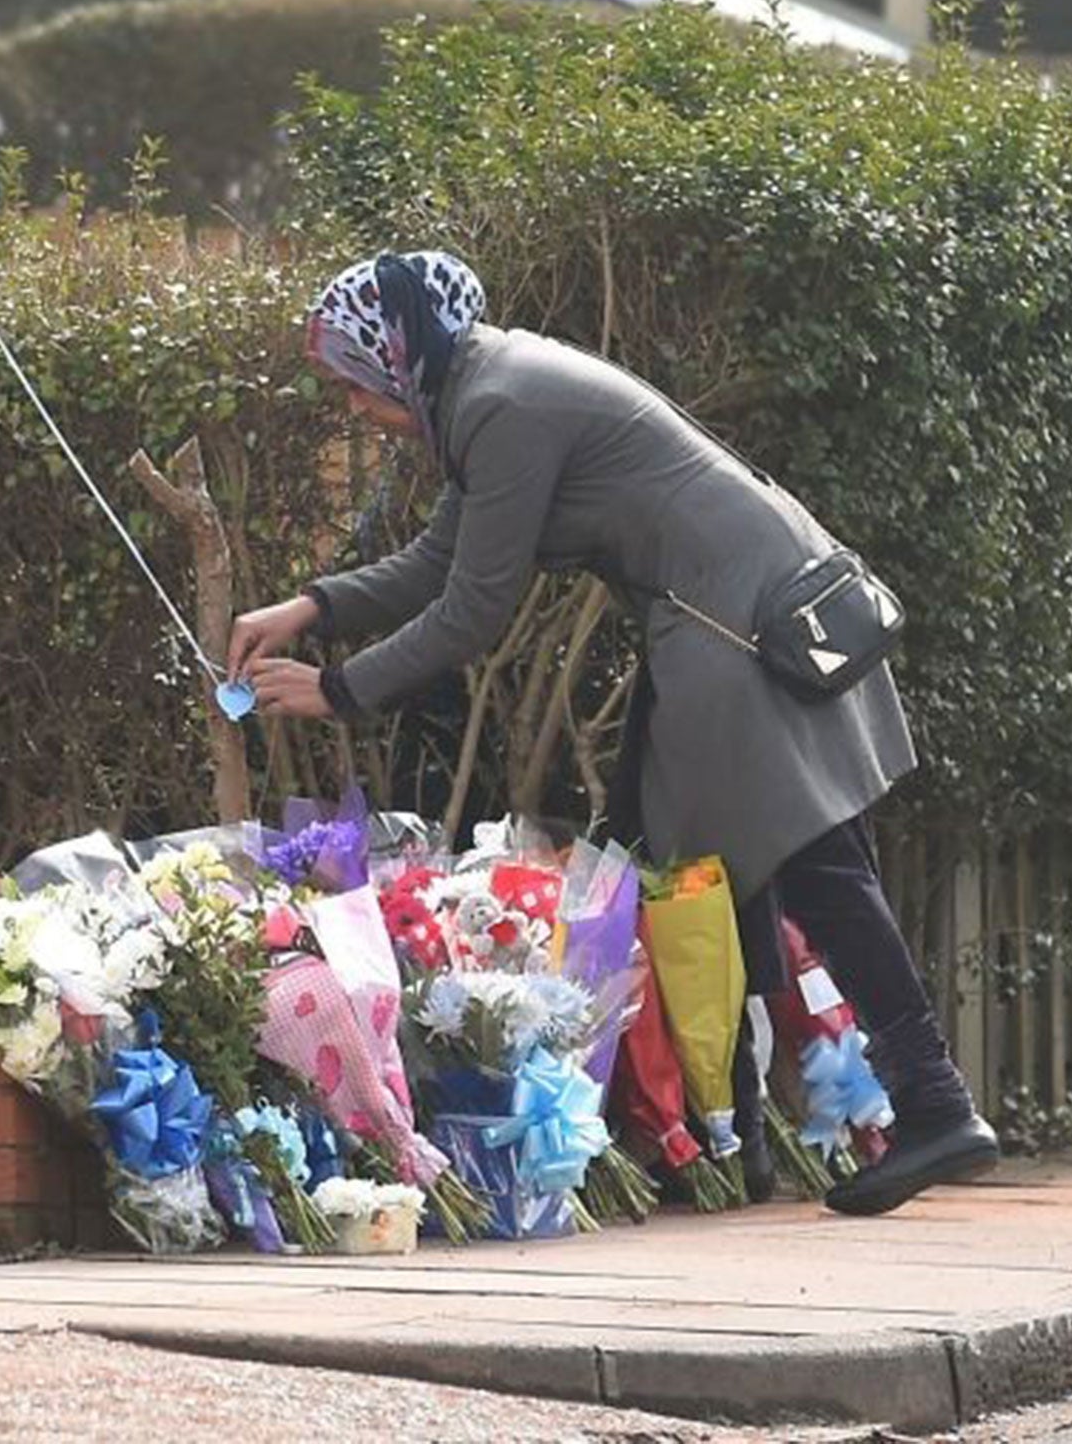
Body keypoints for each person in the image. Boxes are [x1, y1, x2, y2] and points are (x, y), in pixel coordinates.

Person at [230, 250, 997, 1217]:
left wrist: (337, 689)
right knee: (669, 850)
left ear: (395, 356)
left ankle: (933, 1104)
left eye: (350, 384)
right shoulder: (484, 388)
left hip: (737, 619)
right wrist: (311, 605)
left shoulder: (499, 404)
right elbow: (439, 559)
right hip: (715, 611)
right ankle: (744, 1137)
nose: (352, 409)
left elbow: (472, 609)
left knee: (812, 862)